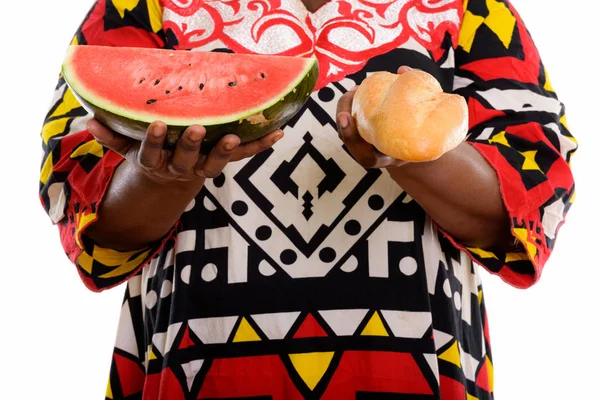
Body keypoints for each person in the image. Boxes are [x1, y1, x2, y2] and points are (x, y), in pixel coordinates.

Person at [39, 0, 576, 398]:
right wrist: (162, 178)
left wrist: (410, 148)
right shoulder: (141, 6)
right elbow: (88, 214)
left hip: (416, 376)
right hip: (193, 373)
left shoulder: (472, 9)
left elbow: (533, 193)